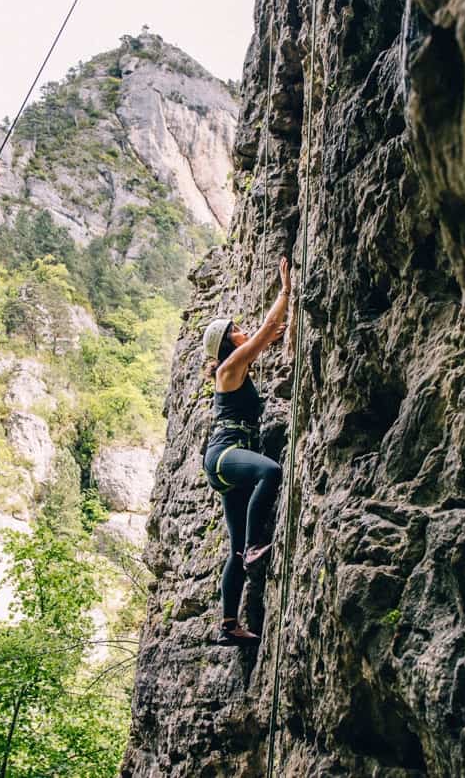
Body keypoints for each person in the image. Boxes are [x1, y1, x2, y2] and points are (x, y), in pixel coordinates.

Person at [201, 257, 291, 646]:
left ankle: (228, 625)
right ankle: (257, 546)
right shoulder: (228, 368)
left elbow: (265, 336)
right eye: (235, 330)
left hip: (228, 461)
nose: (242, 331)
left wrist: (271, 335)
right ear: (227, 343)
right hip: (225, 454)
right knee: (270, 472)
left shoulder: (235, 366)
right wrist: (285, 291)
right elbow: (265, 330)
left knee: (232, 549)